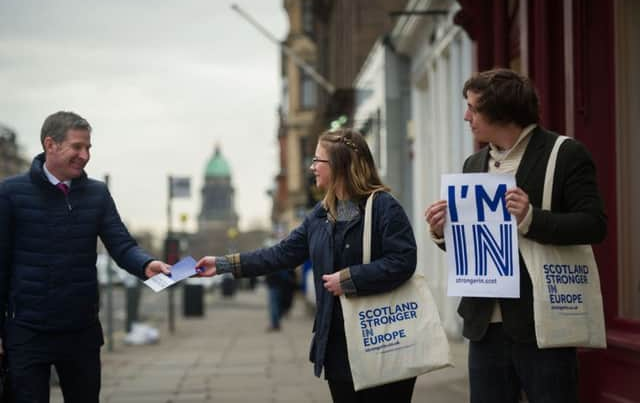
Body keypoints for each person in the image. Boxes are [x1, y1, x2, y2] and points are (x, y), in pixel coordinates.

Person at [424, 68, 607, 403]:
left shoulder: (564, 154)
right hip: (484, 325)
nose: (467, 116)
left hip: (542, 323)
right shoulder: (473, 164)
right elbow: (478, 246)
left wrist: (531, 218)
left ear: (502, 111)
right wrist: (442, 232)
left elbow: (594, 225)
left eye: (474, 108)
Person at [196, 128, 418, 402]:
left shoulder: (384, 206)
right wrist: (222, 265)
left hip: (385, 339)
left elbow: (403, 261)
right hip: (338, 345)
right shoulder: (321, 215)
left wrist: (349, 278)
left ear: (339, 165)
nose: (311, 167)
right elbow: (280, 254)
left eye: (317, 160)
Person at [0, 111, 171, 403]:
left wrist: (146, 264)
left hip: (80, 331)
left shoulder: (97, 194)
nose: (85, 155)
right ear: (50, 144)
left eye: (88, 147)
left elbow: (121, 244)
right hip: (27, 332)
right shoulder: (11, 194)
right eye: (77, 147)